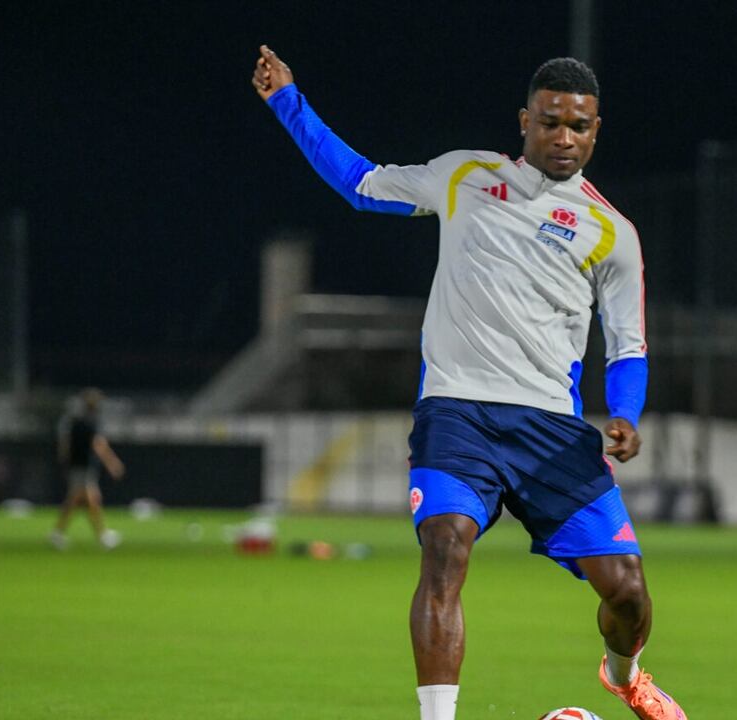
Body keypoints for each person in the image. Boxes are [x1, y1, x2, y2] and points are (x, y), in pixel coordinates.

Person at [251, 46, 686, 720]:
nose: (564, 138)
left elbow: (629, 346)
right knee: (445, 549)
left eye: (579, 126)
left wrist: (626, 411)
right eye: (550, 123)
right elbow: (360, 182)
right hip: (457, 414)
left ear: (596, 130)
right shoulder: (464, 176)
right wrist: (288, 102)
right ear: (524, 121)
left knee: (627, 593)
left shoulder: (613, 234)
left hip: (551, 431)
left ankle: (625, 674)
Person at [50, 388, 125, 550]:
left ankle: (96, 534)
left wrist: (64, 461)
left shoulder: (74, 421)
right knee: (81, 499)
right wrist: (112, 462)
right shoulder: (91, 423)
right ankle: (99, 535)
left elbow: (65, 445)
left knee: (89, 499)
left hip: (76, 465)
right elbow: (98, 445)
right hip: (83, 466)